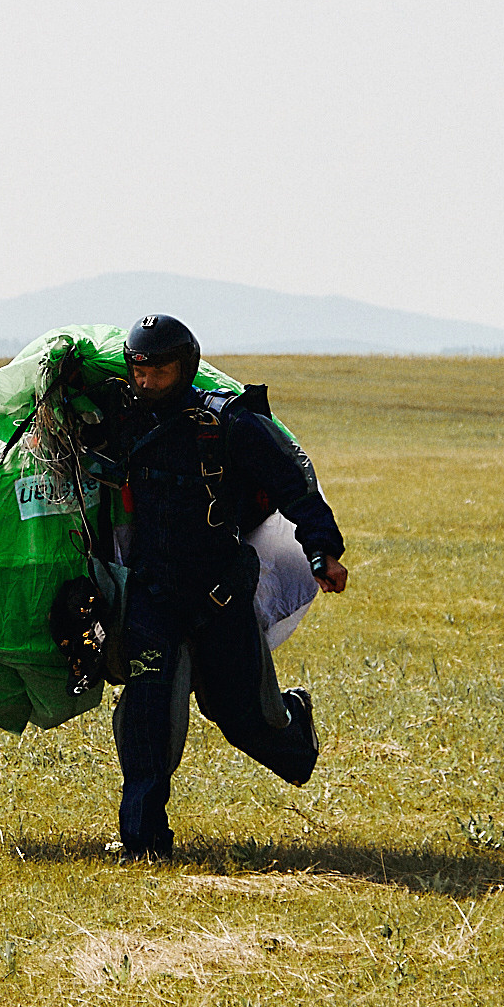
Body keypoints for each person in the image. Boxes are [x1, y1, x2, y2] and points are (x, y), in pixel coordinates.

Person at [95, 314, 349, 860]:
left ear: (185, 368)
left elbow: (293, 484)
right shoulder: (118, 416)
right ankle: (143, 843)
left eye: (160, 372)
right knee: (149, 721)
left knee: (242, 718)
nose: (147, 383)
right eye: (138, 371)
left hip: (221, 596)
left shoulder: (229, 423)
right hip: (152, 598)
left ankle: (294, 732)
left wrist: (321, 550)